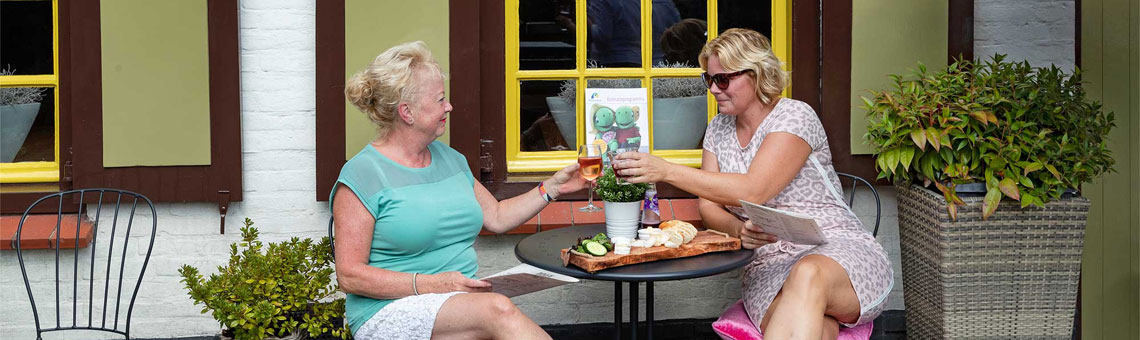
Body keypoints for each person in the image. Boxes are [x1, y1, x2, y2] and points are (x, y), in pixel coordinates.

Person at [612, 29, 893, 339]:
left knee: (808, 273)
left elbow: (754, 190)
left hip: (835, 249)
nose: (714, 89)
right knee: (818, 328)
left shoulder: (794, 116)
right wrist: (738, 231)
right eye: (709, 80)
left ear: (757, 74)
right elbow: (708, 205)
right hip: (768, 263)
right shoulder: (718, 128)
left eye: (723, 80)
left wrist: (665, 170)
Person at [333, 41, 588, 340]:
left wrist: (552, 188)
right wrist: (434, 284)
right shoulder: (363, 174)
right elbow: (349, 275)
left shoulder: (450, 159)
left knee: (493, 309)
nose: (449, 106)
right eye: (440, 100)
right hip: (390, 308)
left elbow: (496, 216)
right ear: (407, 112)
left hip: (459, 303)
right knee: (498, 311)